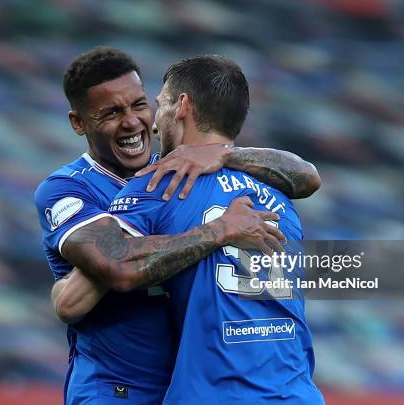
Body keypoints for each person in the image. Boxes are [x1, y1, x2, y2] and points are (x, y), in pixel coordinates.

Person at [35, 47, 320, 404]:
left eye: (140, 105)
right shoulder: (68, 187)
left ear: (178, 106)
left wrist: (224, 153)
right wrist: (219, 230)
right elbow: (96, 281)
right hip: (117, 389)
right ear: (79, 123)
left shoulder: (179, 174)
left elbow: (308, 175)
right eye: (111, 113)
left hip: (184, 382)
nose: (137, 122)